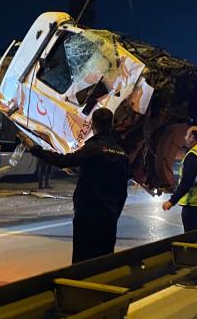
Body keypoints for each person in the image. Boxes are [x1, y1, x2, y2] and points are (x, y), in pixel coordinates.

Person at [28, 107, 128, 263]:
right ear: (111, 125)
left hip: (88, 214)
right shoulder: (122, 154)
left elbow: (65, 161)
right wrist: (115, 212)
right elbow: (123, 191)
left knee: (83, 259)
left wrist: (38, 152)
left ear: (93, 125)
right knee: (105, 259)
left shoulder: (92, 149)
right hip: (109, 216)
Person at [161, 125, 197, 232]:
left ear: (192, 137)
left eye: (187, 135)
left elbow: (186, 182)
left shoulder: (194, 155)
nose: (185, 138)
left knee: (191, 241)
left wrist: (171, 201)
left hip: (195, 207)